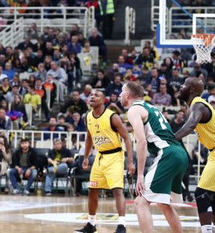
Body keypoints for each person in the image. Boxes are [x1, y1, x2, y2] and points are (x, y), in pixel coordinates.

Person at [120, 81, 187, 233]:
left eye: (121, 92)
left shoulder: (134, 110)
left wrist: (140, 175)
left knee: (140, 202)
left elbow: (142, 142)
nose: (119, 95)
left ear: (127, 95)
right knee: (163, 203)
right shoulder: (150, 107)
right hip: (180, 154)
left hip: (168, 154)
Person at [76, 90, 135, 233]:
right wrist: (85, 157)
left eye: (96, 95)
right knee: (92, 190)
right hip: (100, 156)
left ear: (103, 100)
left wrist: (130, 161)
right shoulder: (88, 116)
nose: (92, 96)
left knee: (117, 190)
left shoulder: (112, 117)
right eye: (90, 95)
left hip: (115, 156)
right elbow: (89, 137)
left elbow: (127, 137)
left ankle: (122, 225)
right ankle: (91, 224)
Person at [174, 77, 215, 233]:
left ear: (191, 90)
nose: (180, 86)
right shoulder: (195, 105)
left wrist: (170, 138)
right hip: (213, 153)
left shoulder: (198, 104)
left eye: (184, 84)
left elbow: (190, 125)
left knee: (201, 193)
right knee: (212, 196)